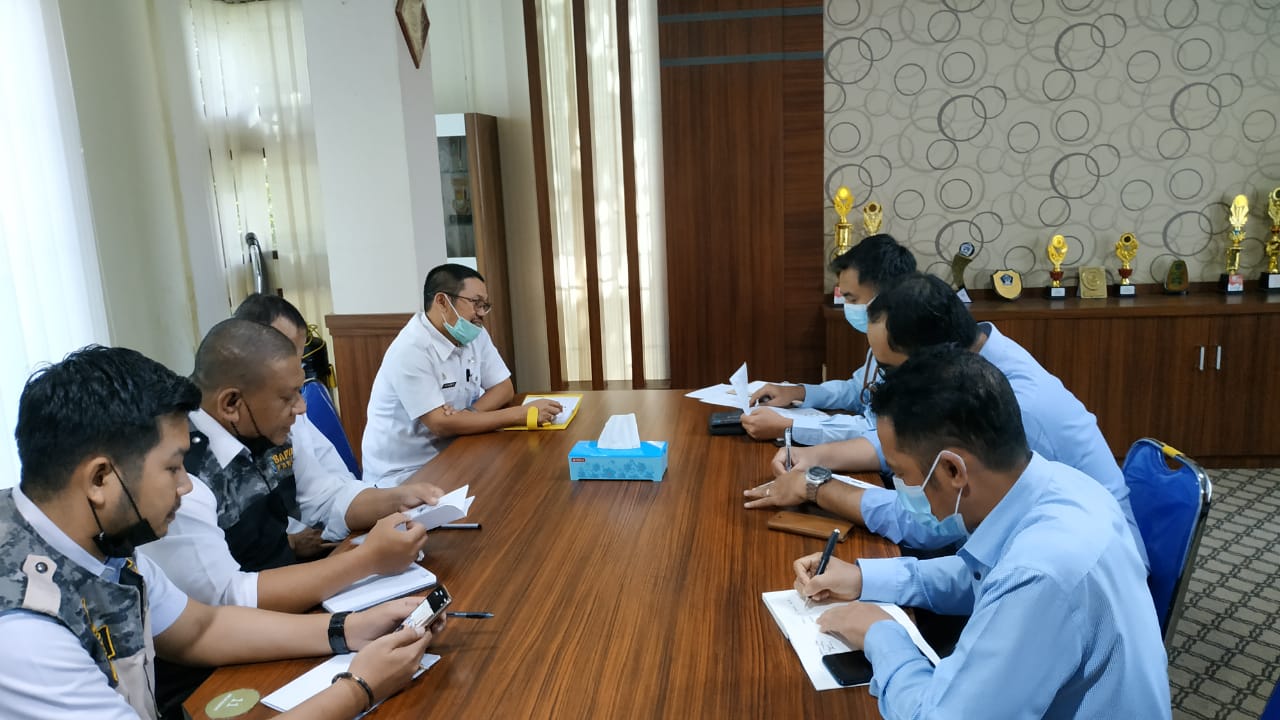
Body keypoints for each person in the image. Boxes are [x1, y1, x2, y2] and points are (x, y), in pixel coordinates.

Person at [0, 345, 442, 720]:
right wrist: (360, 686)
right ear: (100, 479)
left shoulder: (99, 541)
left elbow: (201, 628)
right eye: (173, 467)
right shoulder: (24, 635)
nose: (186, 485)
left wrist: (352, 628)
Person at [791, 347, 1169, 717]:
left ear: (953, 470)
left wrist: (881, 635)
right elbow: (982, 573)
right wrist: (864, 578)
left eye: (901, 474)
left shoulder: (1039, 572)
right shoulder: (1061, 483)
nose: (901, 486)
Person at [745, 272, 1146, 567]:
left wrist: (817, 487)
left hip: (1078, 575)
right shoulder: (974, 360)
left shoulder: (1012, 404)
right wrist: (818, 459)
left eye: (891, 369)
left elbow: (932, 524)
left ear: (937, 355)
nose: (884, 382)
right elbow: (912, 456)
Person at [139, 319, 444, 613]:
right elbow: (227, 598)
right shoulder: (180, 472)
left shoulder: (266, 426)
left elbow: (325, 499)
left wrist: (395, 498)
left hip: (292, 590)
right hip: (247, 627)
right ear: (231, 404)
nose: (301, 407)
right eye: (288, 397)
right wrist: (365, 560)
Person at [361, 263, 561, 487]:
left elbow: (504, 388)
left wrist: (466, 415)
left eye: (485, 305)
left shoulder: (473, 333)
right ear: (442, 301)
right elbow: (440, 424)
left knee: (523, 475)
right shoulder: (410, 349)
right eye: (476, 303)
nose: (481, 314)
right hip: (406, 473)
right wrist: (521, 414)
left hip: (455, 449)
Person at [744, 234, 916, 443]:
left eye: (852, 299)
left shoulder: (912, 350)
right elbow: (857, 390)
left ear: (885, 297)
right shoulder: (881, 339)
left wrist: (790, 427)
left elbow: (877, 432)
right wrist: (798, 393)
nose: (848, 308)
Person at [233, 293, 358, 558]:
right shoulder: (202, 452)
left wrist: (392, 500)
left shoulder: (289, 410)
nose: (301, 407)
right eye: (281, 351)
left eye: (297, 357)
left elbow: (323, 493)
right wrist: (291, 543)